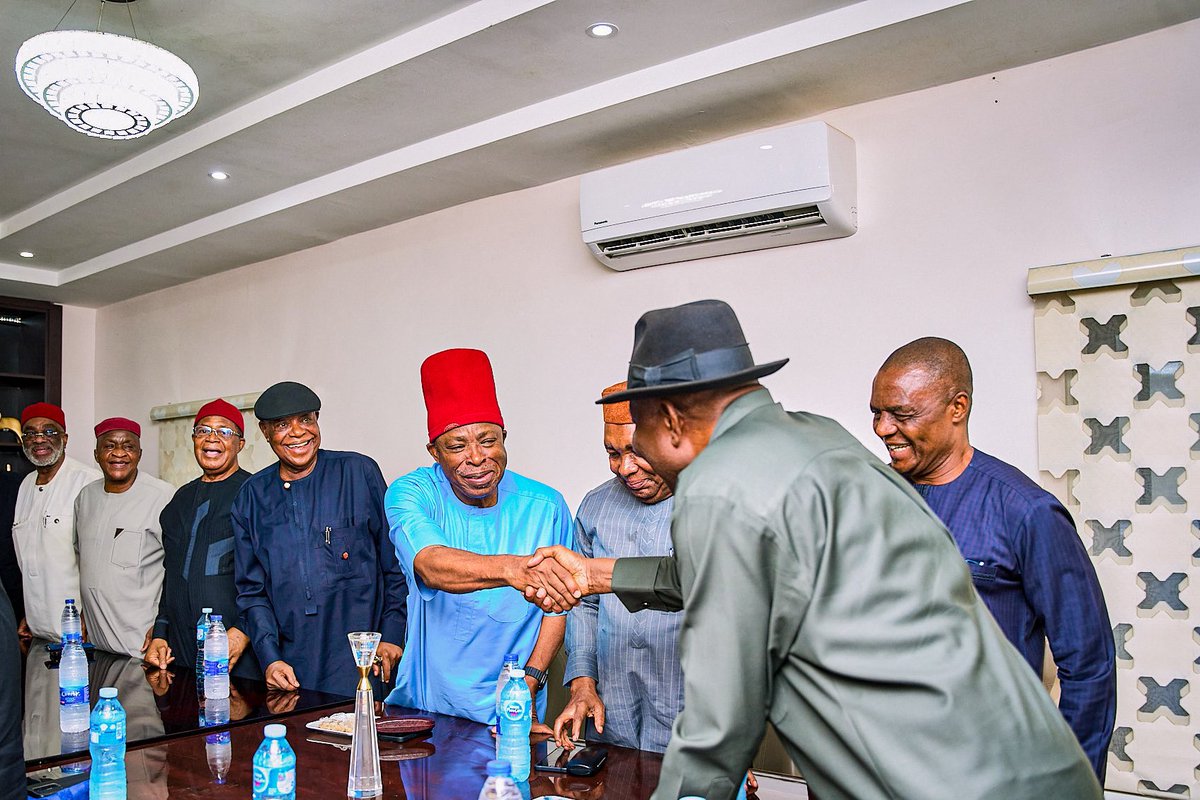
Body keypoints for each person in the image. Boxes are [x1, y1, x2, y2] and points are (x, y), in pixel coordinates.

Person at [529, 300, 1101, 800]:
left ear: (672, 419)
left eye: (640, 433)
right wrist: (597, 574)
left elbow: (717, 728)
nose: (639, 456)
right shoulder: (819, 435)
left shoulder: (717, 484)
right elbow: (743, 572)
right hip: (1043, 773)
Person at [869, 336, 1116, 779]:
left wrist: (1072, 788)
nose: (883, 428)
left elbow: (1089, 667)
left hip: (987, 772)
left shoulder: (1027, 512)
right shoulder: (868, 497)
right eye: (877, 412)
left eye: (902, 414)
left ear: (957, 408)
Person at [385, 348, 574, 725]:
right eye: (456, 445)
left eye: (488, 440)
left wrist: (533, 681)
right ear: (434, 451)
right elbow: (430, 565)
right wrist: (513, 569)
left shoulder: (546, 505)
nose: (476, 457)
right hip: (428, 707)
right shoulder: (412, 493)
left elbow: (559, 607)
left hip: (515, 708)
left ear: (504, 437)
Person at [232, 381, 406, 695]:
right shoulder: (252, 497)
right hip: (291, 670)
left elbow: (396, 567)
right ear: (265, 431)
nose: (298, 433)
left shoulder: (358, 473)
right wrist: (270, 658)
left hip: (364, 662)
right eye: (283, 425)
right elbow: (251, 592)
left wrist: (393, 634)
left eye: (306, 420)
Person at [554, 381, 681, 753]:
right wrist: (582, 684)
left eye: (638, 452)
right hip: (610, 720)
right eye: (613, 453)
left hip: (694, 729)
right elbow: (583, 603)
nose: (625, 468)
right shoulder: (594, 506)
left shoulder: (713, 501)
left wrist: (733, 740)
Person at [144, 399, 260, 678]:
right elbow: (170, 574)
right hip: (181, 651)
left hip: (238, 652)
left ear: (240, 444)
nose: (212, 438)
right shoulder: (180, 499)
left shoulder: (255, 494)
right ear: (194, 439)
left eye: (224, 431)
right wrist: (160, 632)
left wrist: (244, 631)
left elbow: (273, 577)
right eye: (203, 430)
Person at [75, 417, 174, 657]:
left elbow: (178, 569)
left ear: (139, 453)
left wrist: (163, 627)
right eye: (109, 446)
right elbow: (85, 561)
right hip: (96, 645)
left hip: (141, 645)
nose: (119, 453)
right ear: (96, 454)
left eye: (128, 446)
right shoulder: (85, 497)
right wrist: (83, 613)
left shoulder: (163, 496)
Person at [12, 402, 100, 641]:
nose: (39, 439)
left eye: (49, 431)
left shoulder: (89, 483)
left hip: (79, 629)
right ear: (23, 440)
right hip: (36, 628)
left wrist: (89, 617)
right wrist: (30, 614)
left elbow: (100, 562)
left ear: (65, 438)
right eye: (30, 433)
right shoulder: (25, 485)